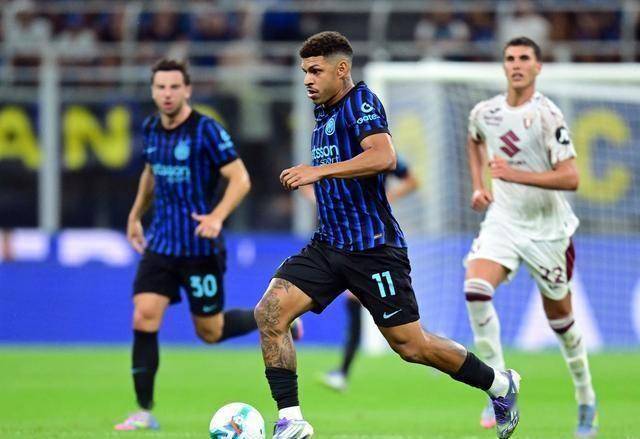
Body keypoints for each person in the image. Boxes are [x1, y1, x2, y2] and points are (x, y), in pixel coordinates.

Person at [253, 31, 521, 439]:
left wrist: (318, 172)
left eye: (315, 70)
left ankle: (500, 385)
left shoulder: (361, 103)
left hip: (373, 249)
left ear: (341, 69)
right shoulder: (323, 115)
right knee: (270, 313)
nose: (307, 79)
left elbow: (384, 156)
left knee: (412, 346)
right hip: (329, 244)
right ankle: (291, 420)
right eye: (304, 71)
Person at [114, 59, 301, 431]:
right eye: (160, 87)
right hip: (161, 245)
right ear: (153, 91)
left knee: (210, 332)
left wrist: (216, 216)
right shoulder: (151, 128)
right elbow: (150, 173)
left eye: (174, 87)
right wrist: (135, 215)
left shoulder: (206, 131)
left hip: (200, 249)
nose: (167, 94)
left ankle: (272, 319)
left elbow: (240, 178)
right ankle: (144, 411)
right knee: (143, 315)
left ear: (187, 90)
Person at [463, 37, 597, 438]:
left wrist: (515, 174)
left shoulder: (547, 116)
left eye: (524, 58)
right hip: (503, 221)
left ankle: (586, 395)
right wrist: (478, 185)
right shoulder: (484, 112)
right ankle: (498, 389)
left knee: (563, 324)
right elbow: (474, 140)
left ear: (538, 67)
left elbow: (571, 177)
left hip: (548, 231)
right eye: (510, 58)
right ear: (503, 66)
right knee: (475, 290)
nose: (517, 64)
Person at [319, 158, 420, 391]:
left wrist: (388, 197)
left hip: (376, 242)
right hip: (351, 240)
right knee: (362, 304)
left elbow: (412, 181)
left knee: (399, 323)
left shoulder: (382, 155)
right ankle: (342, 373)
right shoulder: (341, 154)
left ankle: (343, 373)